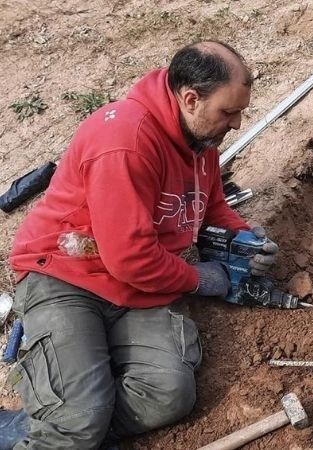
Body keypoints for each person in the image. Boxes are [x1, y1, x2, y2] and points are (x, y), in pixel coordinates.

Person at [1, 41, 279, 449]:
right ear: (190, 98)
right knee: (79, 420)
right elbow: (131, 257)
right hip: (67, 275)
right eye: (228, 112)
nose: (237, 124)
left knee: (169, 394)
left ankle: (72, 423)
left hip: (136, 283)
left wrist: (244, 237)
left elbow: (211, 205)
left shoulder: (199, 137)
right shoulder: (125, 141)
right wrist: (201, 279)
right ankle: (61, 425)